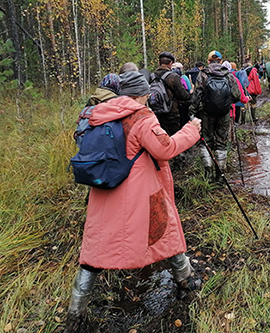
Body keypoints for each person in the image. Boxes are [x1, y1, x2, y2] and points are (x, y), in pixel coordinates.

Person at [65, 71, 202, 330]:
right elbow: (166, 148)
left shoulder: (99, 113)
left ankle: (75, 311)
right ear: (143, 95)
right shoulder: (142, 117)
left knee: (94, 249)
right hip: (139, 192)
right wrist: (190, 131)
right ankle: (185, 280)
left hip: (104, 190)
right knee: (166, 230)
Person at [189, 51, 240, 183]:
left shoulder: (203, 74)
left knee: (206, 141)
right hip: (224, 113)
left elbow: (197, 95)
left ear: (208, 61)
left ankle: (208, 175)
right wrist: (226, 103)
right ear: (221, 61)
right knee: (221, 142)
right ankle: (220, 175)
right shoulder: (228, 75)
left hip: (206, 113)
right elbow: (237, 95)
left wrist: (192, 111)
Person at [151, 52, 191, 135]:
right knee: (174, 139)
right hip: (171, 113)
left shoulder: (151, 77)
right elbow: (183, 96)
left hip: (156, 112)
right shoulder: (173, 77)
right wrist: (190, 93)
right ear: (170, 64)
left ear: (159, 62)